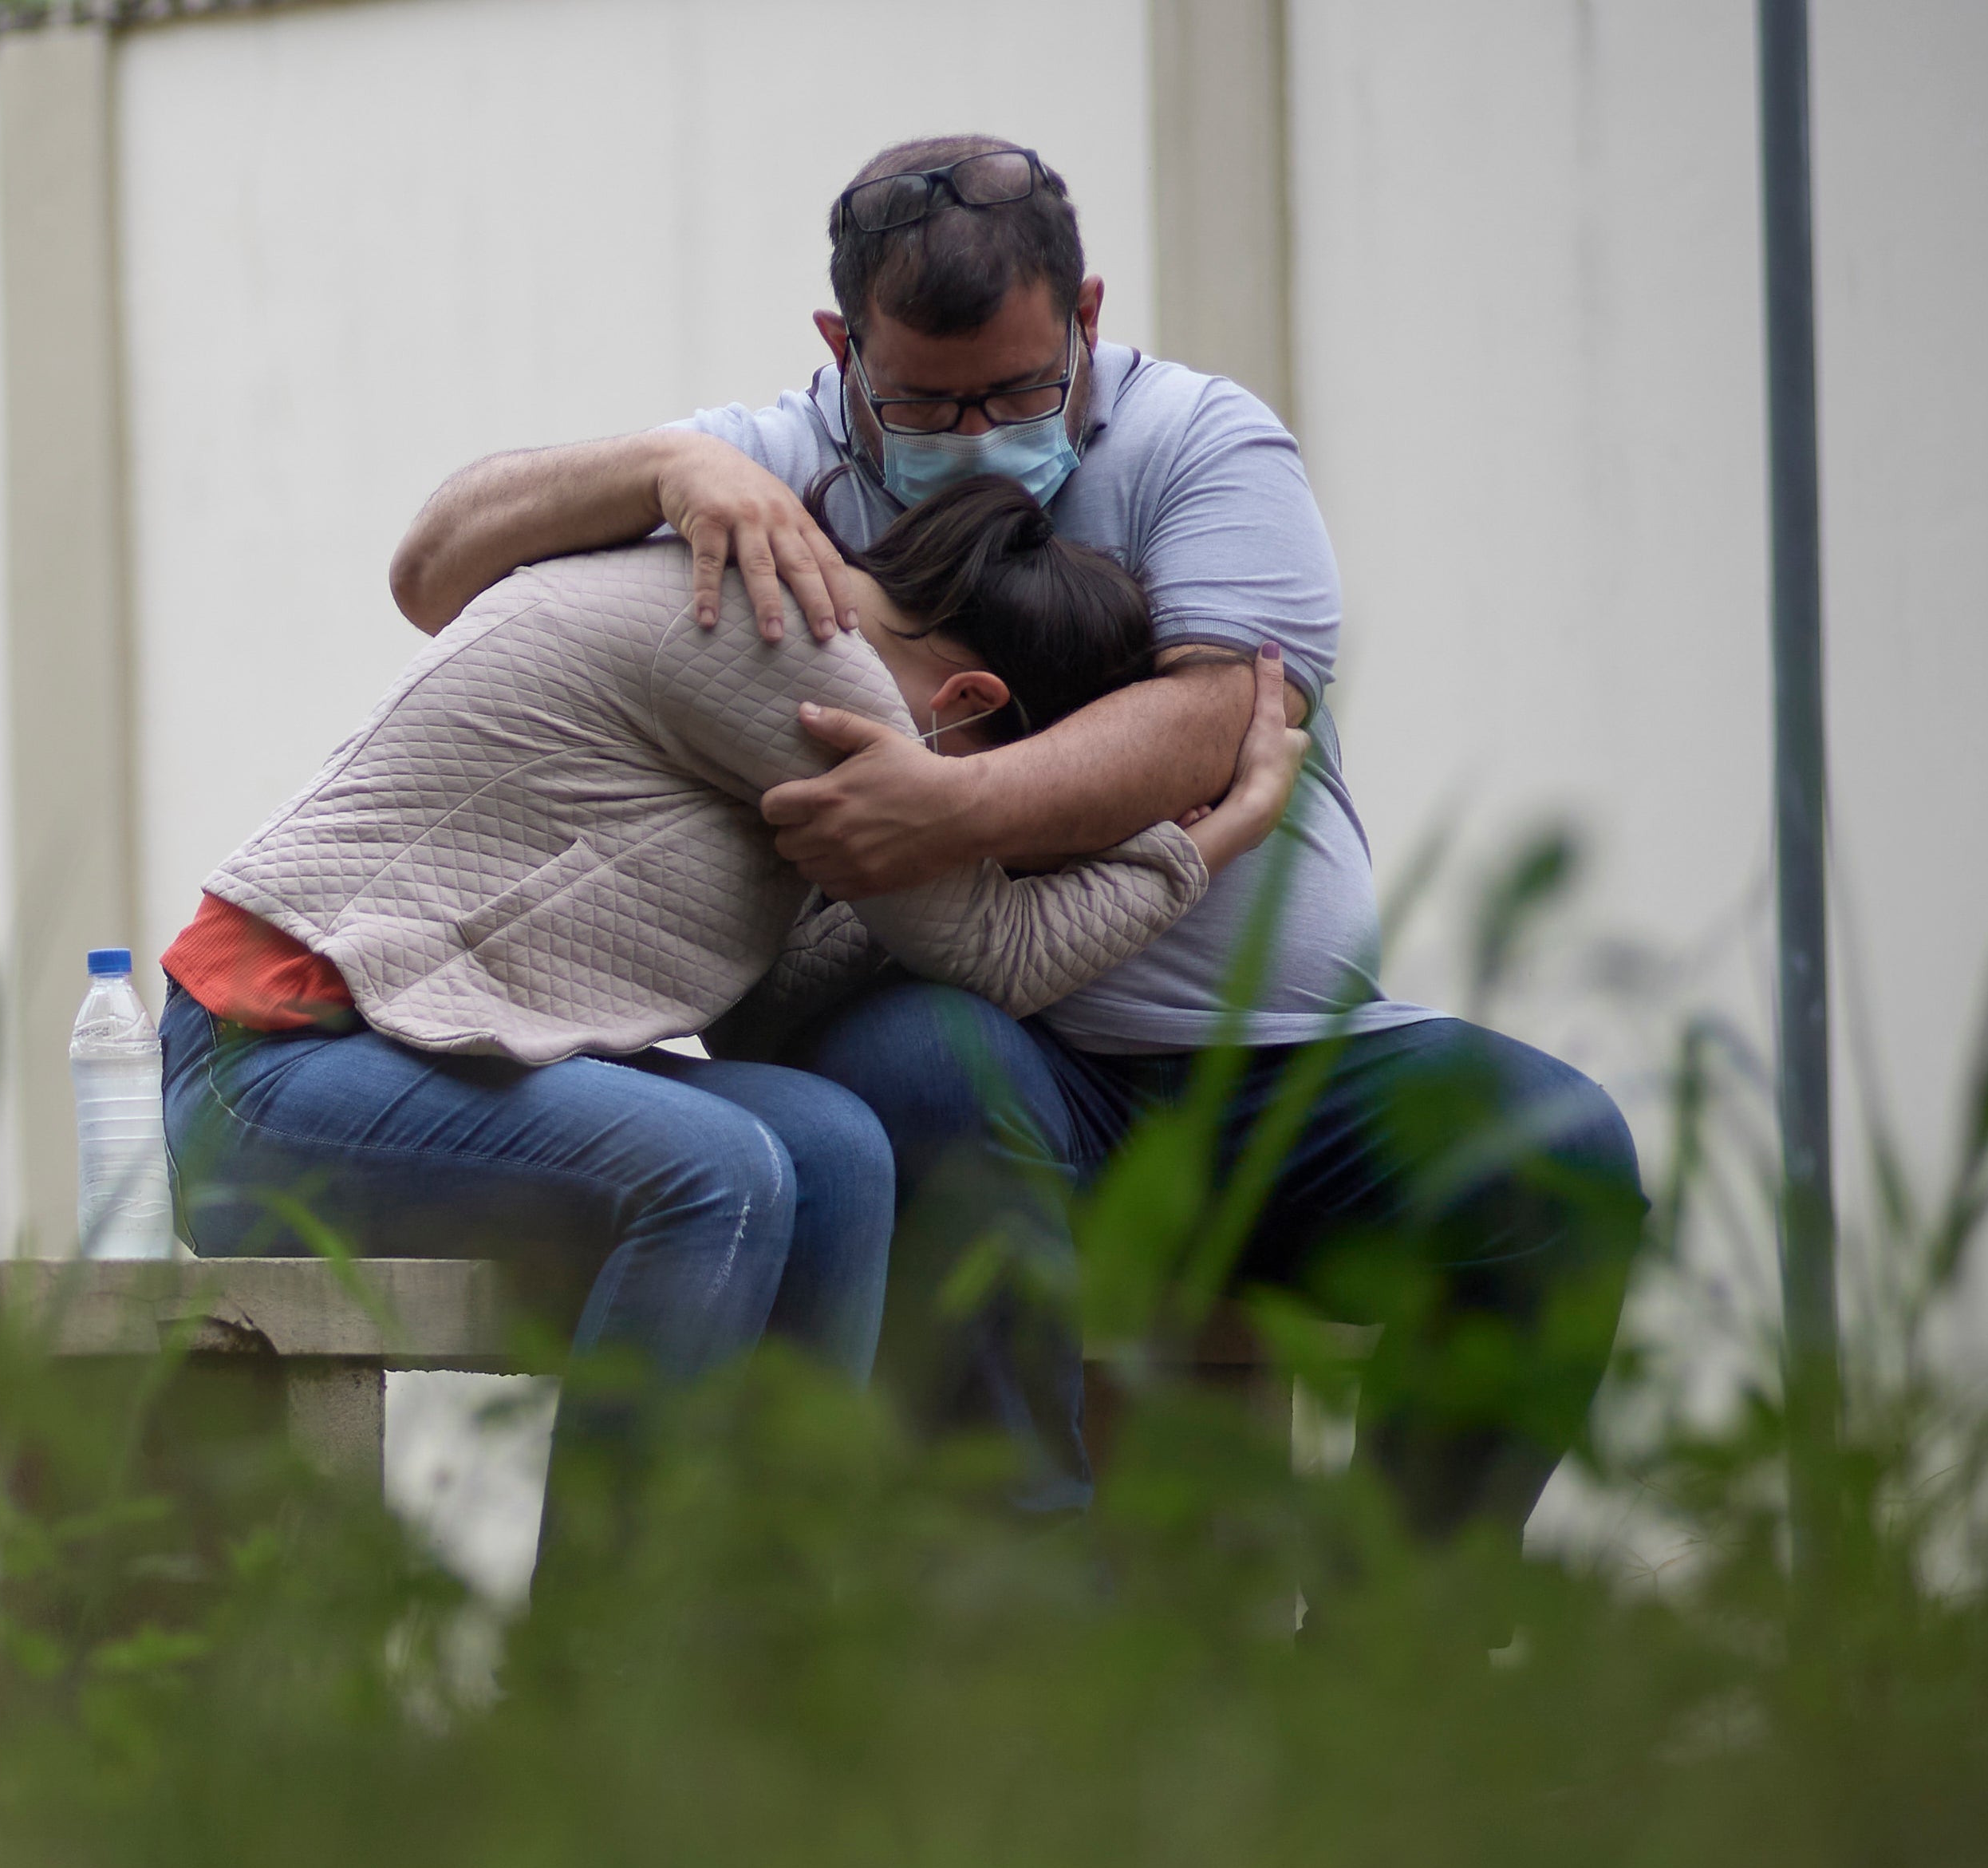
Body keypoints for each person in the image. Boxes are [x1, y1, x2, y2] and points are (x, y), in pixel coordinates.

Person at [387, 134, 1647, 1539]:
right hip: (992, 1075)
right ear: (843, 348)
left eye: (1021, 388)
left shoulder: (1200, 443)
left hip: (1280, 1078)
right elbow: (436, 569)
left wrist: (950, 809)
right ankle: (1029, 1619)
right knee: (920, 1067)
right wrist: (666, 464)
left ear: (1089, 319)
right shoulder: (779, 466)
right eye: (925, 401)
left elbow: (1216, 712)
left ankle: (1388, 1651)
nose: (979, 431)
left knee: (1556, 1157)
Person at [158, 476, 1304, 1423]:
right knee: (718, 1172)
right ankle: (610, 1673)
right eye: (1009, 798)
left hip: (418, 1061)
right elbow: (995, 951)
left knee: (836, 1147)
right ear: (969, 699)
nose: (990, 834)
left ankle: (765, 1632)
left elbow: (765, 1009)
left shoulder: (809, 664)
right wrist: (1208, 844)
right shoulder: (807, 653)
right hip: (261, 1075)